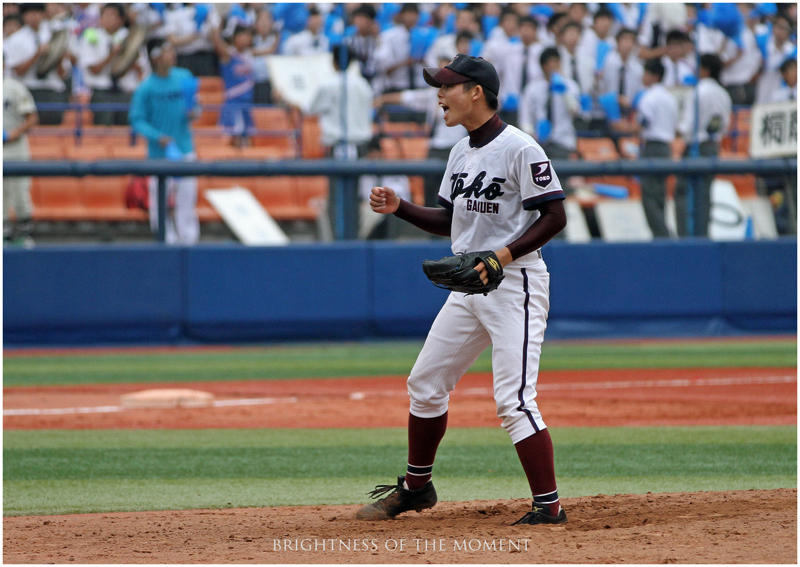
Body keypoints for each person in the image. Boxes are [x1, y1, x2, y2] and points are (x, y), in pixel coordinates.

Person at [357, 54, 569, 526]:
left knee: (514, 401)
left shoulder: (520, 147)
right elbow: (452, 219)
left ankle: (549, 506)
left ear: (476, 91)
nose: (439, 95)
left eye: (448, 87)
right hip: (470, 282)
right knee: (425, 384)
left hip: (515, 283)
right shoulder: (460, 151)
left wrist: (501, 257)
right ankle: (416, 488)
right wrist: (401, 208)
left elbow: (555, 216)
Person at [128, 38, 200, 245]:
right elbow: (136, 120)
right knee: (158, 199)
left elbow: (196, 107)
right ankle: (165, 239)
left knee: (187, 197)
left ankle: (188, 239)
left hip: (185, 149)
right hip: (159, 155)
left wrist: (193, 112)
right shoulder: (145, 88)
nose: (173, 55)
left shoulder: (184, 77)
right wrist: (157, 137)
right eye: (168, 51)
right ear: (156, 56)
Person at [377, 56, 469, 207]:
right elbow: (407, 97)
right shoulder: (432, 95)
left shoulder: (463, 96)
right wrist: (383, 99)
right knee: (431, 196)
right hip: (434, 148)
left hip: (456, 149)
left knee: (454, 198)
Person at [613, 58, 678, 238]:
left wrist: (618, 126)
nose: (643, 76)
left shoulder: (649, 97)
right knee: (660, 195)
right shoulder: (669, 97)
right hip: (667, 148)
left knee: (649, 196)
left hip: (652, 148)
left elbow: (641, 125)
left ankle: (662, 236)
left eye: (646, 73)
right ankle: (663, 236)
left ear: (653, 75)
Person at [674, 54, 732, 238]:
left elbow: (688, 125)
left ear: (705, 69)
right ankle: (703, 234)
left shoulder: (698, 91)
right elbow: (726, 125)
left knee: (683, 192)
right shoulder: (724, 93)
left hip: (695, 146)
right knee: (705, 194)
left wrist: (676, 131)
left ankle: (685, 236)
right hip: (713, 146)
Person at [78, 3, 146, 126]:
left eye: (112, 15)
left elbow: (140, 67)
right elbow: (93, 69)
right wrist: (113, 55)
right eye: (104, 15)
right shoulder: (90, 36)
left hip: (125, 92)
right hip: (101, 93)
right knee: (103, 131)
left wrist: (126, 61)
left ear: (121, 19)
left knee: (126, 131)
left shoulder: (131, 37)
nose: (107, 19)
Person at [4, 3, 69, 125]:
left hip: (52, 90)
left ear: (43, 14)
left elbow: (63, 73)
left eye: (37, 12)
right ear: (23, 16)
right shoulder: (15, 40)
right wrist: (37, 54)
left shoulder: (55, 35)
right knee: (29, 130)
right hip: (27, 90)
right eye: (29, 13)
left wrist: (58, 55)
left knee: (54, 131)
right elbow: (18, 71)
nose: (33, 17)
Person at [308, 45, 374, 158]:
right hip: (361, 144)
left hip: (339, 144)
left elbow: (311, 110)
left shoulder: (329, 85)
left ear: (334, 62)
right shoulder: (363, 84)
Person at [519, 47, 580, 161]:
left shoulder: (570, 86)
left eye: (557, 62)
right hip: (539, 144)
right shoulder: (532, 89)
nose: (554, 66)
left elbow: (575, 111)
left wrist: (564, 91)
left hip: (563, 142)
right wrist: (531, 134)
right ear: (544, 66)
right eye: (551, 63)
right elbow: (525, 117)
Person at [3, 76, 38, 247]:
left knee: (20, 192)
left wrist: (14, 133)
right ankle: (4, 236)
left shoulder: (15, 87)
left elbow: (31, 117)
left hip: (15, 147)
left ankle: (26, 235)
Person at [211, 23, 255, 148]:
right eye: (242, 35)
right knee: (233, 140)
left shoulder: (250, 55)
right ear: (234, 37)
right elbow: (216, 40)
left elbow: (270, 50)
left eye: (248, 35)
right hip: (233, 104)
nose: (245, 38)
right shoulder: (229, 54)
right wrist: (216, 21)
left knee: (249, 140)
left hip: (247, 104)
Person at [373, 3, 421, 93]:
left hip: (418, 85)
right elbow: (384, 67)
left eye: (414, 14)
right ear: (401, 15)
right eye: (408, 13)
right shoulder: (389, 36)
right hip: (395, 85)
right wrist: (405, 63)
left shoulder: (423, 35)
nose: (411, 17)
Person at [251, 8, 280, 104]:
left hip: (270, 84)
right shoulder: (251, 40)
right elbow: (248, 53)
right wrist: (270, 50)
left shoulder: (276, 40)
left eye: (267, 20)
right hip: (252, 83)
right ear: (255, 24)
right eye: (261, 20)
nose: (264, 23)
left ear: (272, 23)